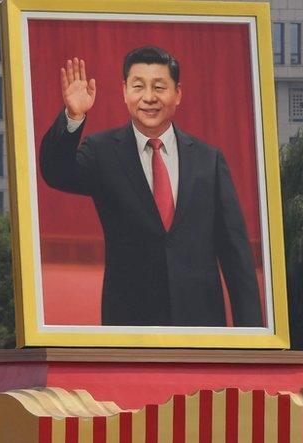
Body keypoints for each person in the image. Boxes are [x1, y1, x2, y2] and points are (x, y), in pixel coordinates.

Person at [39, 46, 263, 327]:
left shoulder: (209, 160)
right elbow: (56, 173)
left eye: (159, 87)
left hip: (202, 323)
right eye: (138, 86)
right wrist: (73, 116)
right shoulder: (103, 152)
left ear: (178, 93)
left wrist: (254, 337)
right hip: (131, 321)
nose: (148, 97)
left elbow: (236, 253)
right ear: (124, 91)